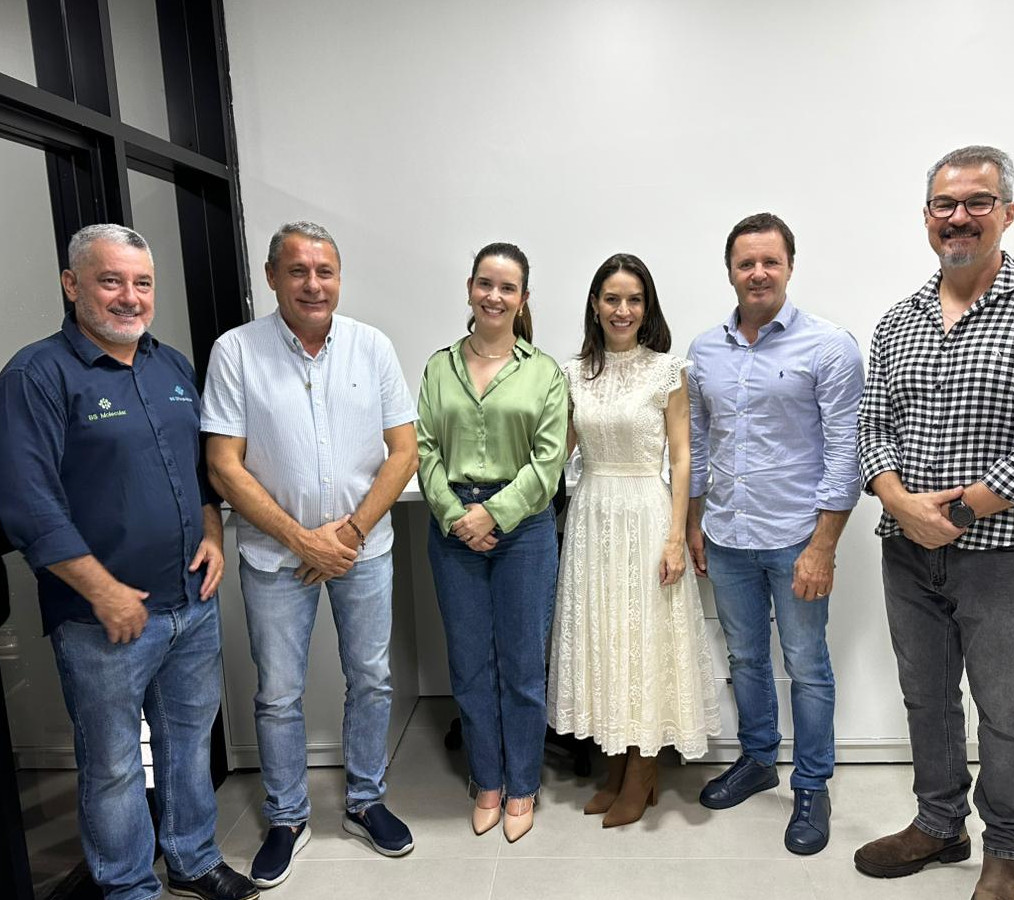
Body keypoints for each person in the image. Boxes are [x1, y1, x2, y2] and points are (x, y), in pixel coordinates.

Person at [853, 146, 1014, 900]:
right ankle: (939, 825)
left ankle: (1007, 848)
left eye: (977, 202)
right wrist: (899, 502)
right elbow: (872, 427)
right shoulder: (897, 322)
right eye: (945, 204)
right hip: (906, 551)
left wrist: (961, 510)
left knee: (1004, 711)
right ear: (926, 216)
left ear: (1008, 212)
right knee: (927, 699)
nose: (958, 216)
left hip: (1001, 553)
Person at [0, 224, 257, 900]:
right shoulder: (36, 376)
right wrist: (104, 590)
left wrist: (213, 532)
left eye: (141, 283)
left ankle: (193, 861)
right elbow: (28, 505)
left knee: (188, 744)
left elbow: (200, 473)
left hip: (189, 602)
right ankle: (130, 887)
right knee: (112, 765)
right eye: (111, 281)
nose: (129, 297)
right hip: (102, 619)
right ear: (71, 284)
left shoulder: (172, 367)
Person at [202, 222, 419, 887]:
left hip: (364, 550)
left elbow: (404, 452)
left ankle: (364, 800)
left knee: (372, 677)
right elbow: (223, 464)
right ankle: (287, 816)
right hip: (276, 557)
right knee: (278, 692)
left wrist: (346, 536)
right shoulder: (236, 352)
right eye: (297, 271)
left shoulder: (371, 347)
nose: (313, 284)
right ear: (272, 277)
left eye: (325, 272)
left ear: (339, 278)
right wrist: (302, 539)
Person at [686, 213, 864, 855]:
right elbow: (697, 444)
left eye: (770, 261)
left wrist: (824, 546)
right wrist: (693, 523)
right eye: (746, 263)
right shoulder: (703, 351)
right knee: (744, 657)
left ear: (790, 266)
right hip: (727, 534)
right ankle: (758, 759)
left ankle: (811, 784)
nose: (757, 273)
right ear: (730, 271)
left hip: (796, 538)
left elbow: (845, 453)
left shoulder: (829, 346)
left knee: (807, 664)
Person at [548, 252, 721, 827]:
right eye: (612, 298)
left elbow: (682, 457)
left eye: (634, 299)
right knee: (605, 639)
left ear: (647, 308)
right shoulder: (572, 373)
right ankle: (617, 769)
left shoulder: (667, 371)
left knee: (643, 641)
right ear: (595, 306)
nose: (622, 310)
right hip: (592, 516)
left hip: (646, 513)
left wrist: (676, 537)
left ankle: (644, 771)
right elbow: (559, 451)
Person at [415, 242, 568, 843]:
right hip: (454, 529)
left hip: (524, 530)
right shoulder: (439, 367)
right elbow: (425, 449)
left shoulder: (544, 372)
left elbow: (549, 462)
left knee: (523, 664)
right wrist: (458, 515)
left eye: (508, 288)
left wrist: (494, 515)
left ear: (523, 299)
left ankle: (523, 784)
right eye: (486, 284)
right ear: (470, 288)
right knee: (470, 663)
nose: (495, 296)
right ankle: (487, 780)